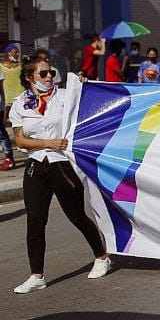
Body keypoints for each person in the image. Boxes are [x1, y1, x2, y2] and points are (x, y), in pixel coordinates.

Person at [9, 57, 112, 293]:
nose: (49, 77)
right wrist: (49, 142)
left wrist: (85, 85)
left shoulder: (66, 96)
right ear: (29, 77)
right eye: (43, 73)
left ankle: (102, 255)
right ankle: (37, 275)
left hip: (62, 164)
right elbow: (20, 140)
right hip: (36, 164)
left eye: (52, 72)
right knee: (35, 221)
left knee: (76, 216)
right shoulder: (20, 104)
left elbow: (92, 105)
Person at [1, 42, 21, 170]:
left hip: (20, 100)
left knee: (19, 126)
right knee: (3, 127)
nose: (17, 54)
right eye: (15, 52)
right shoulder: (1, 67)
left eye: (18, 52)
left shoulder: (21, 67)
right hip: (7, 101)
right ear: (8, 53)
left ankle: (22, 145)